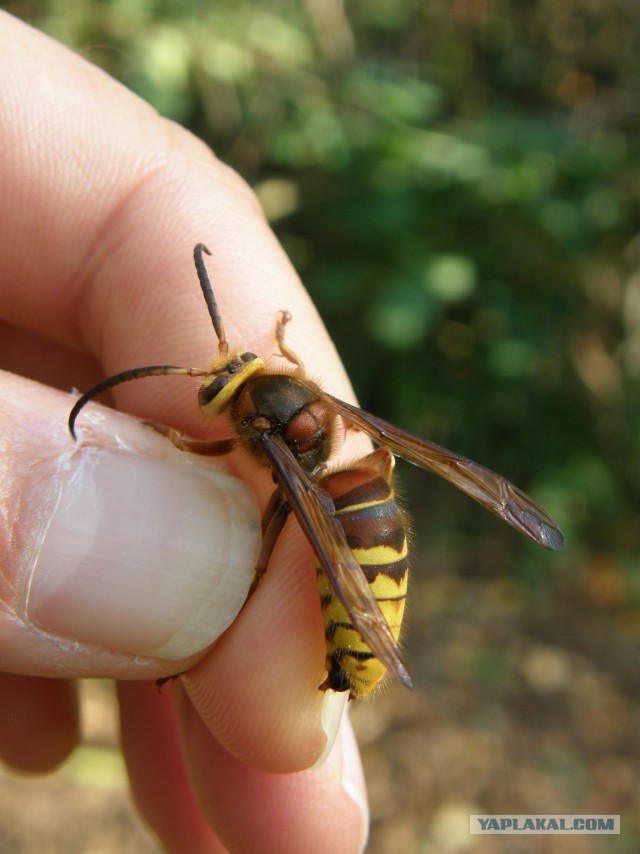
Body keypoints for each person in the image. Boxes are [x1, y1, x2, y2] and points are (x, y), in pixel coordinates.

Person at [0, 11, 368, 852]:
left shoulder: (259, 436)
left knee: (286, 528)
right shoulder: (292, 404)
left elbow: (231, 450)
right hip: (351, 496)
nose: (211, 383)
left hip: (344, 539)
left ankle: (353, 643)